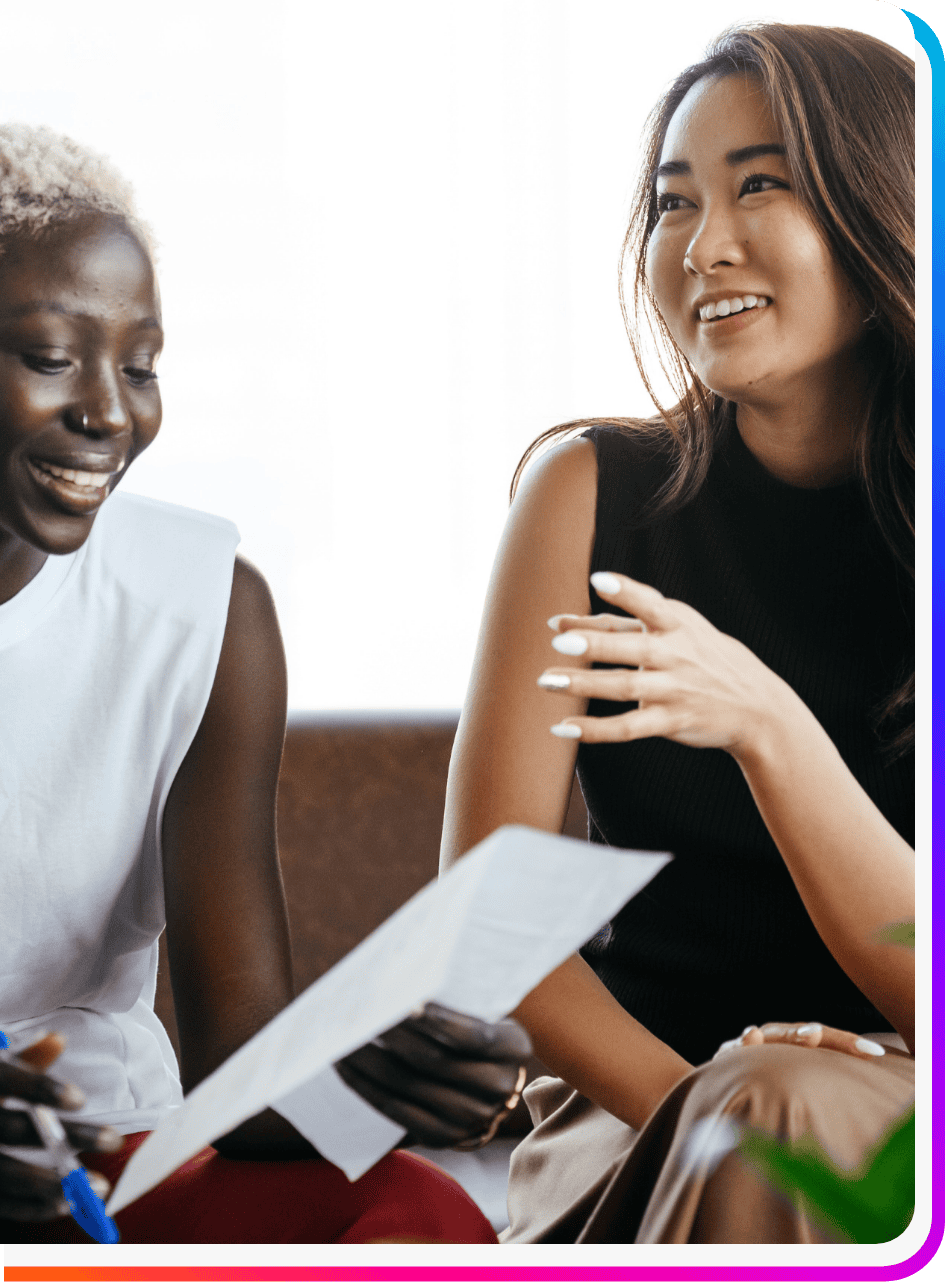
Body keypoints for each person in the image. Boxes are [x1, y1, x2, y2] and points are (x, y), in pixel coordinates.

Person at [0, 122, 530, 1244]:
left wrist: (379, 1079)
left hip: (106, 1161)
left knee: (414, 1212)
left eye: (140, 366)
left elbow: (240, 1065)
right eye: (51, 356)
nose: (109, 413)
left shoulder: (203, 609)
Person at [440, 23, 915, 1244]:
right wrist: (698, 1115)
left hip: (910, 1093)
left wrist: (766, 725)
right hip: (633, 1103)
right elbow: (486, 917)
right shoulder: (589, 492)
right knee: (764, 1117)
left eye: (762, 183)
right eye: (672, 202)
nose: (703, 247)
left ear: (885, 207)